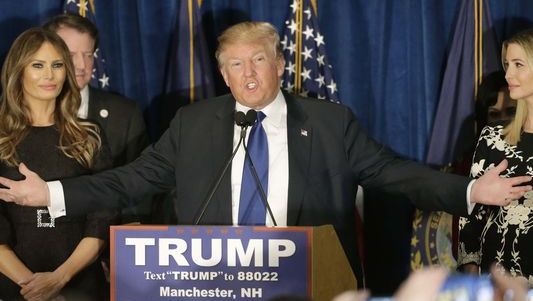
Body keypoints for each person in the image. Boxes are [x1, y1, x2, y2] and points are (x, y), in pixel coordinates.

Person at [0, 21, 531, 287]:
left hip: (310, 283)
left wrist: (469, 190)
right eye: (234, 64)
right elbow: (130, 181)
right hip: (215, 286)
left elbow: (392, 173)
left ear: (280, 64)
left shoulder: (328, 122)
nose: (248, 74)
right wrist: (50, 192)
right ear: (221, 72)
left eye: (258, 60)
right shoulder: (193, 123)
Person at [0, 28, 117, 300]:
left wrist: (60, 278)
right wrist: (35, 287)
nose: (49, 75)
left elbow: (103, 217)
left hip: (80, 285)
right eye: (37, 65)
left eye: (57, 65)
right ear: (19, 71)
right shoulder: (2, 138)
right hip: (15, 287)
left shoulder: (90, 136)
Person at [42, 14, 150, 223]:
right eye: (71, 54)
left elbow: (142, 183)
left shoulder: (124, 114)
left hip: (110, 236)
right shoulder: (21, 113)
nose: (82, 65)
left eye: (89, 54)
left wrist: (128, 236)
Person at [458, 29, 533, 287]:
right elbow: (473, 212)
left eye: (518, 65)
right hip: (495, 281)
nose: (508, 75)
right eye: (507, 65)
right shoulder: (492, 138)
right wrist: (469, 267)